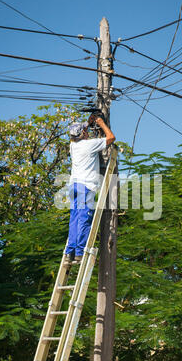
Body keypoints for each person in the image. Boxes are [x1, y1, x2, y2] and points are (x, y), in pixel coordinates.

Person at [64, 114, 116, 266]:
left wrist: (88, 122)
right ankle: (80, 252)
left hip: (73, 186)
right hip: (85, 187)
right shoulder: (90, 145)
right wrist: (101, 123)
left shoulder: (73, 145)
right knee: (84, 219)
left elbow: (79, 131)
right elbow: (111, 138)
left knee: (74, 220)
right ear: (83, 134)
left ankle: (70, 252)